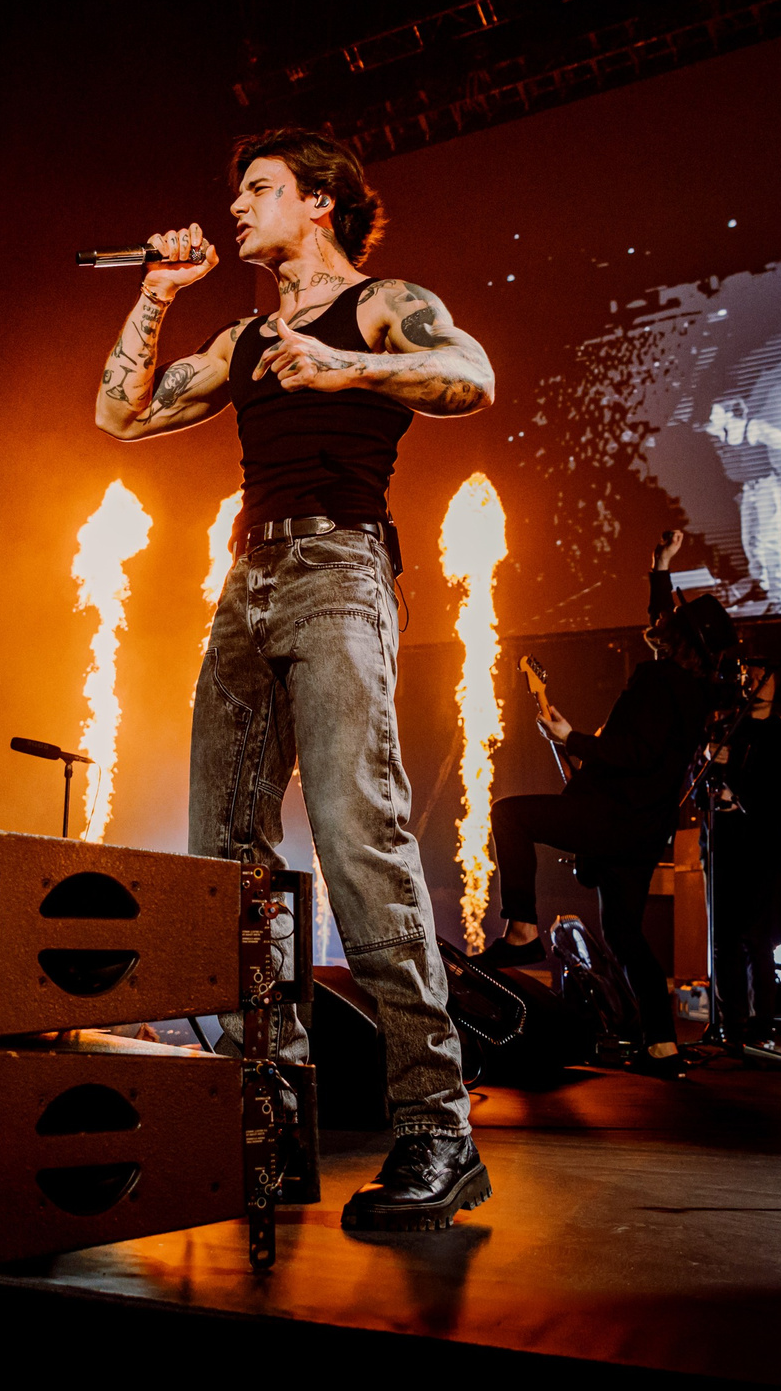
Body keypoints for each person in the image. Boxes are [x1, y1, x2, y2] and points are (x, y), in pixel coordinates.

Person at [89, 127, 498, 1231]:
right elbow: (119, 414)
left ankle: (436, 1129)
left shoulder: (377, 303)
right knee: (222, 858)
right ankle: (265, 1113)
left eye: (258, 190)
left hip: (339, 574)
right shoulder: (240, 334)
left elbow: (473, 375)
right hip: (249, 585)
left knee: (360, 837)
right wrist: (158, 294)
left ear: (318, 203)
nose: (237, 210)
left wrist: (348, 365)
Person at [480, 551, 734, 1080]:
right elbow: (661, 628)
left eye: (668, 624)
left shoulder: (658, 681)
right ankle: (662, 1043)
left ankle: (523, 930)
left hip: (612, 817)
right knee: (624, 934)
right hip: (642, 832)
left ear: (679, 640)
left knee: (510, 816)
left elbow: (634, 753)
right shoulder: (695, 694)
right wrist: (659, 572)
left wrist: (572, 738)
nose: (657, 625)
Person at [710, 659, 781, 1047]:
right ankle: (731, 1023)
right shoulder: (724, 728)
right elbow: (699, 782)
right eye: (748, 676)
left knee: (755, 937)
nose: (753, 682)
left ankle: (761, 1023)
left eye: (762, 676)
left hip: (761, 847)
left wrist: (741, 799)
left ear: (775, 682)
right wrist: (707, 762)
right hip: (723, 843)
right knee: (723, 939)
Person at [703, 398, 781, 613]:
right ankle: (761, 585)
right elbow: (703, 428)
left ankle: (780, 596)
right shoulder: (721, 431)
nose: (711, 417)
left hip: (767, 486)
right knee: (750, 541)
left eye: (715, 413)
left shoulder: (755, 428)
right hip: (749, 490)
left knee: (770, 540)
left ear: (729, 413)